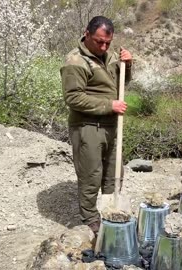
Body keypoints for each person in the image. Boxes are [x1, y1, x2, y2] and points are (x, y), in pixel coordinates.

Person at [60, 16, 132, 234]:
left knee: (113, 172)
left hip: (111, 125)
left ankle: (110, 210)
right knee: (91, 174)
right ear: (87, 33)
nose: (103, 47)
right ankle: (91, 219)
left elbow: (121, 83)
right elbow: (73, 98)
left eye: (107, 43)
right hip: (88, 126)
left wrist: (127, 66)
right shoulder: (75, 61)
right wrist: (109, 105)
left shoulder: (109, 56)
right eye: (99, 41)